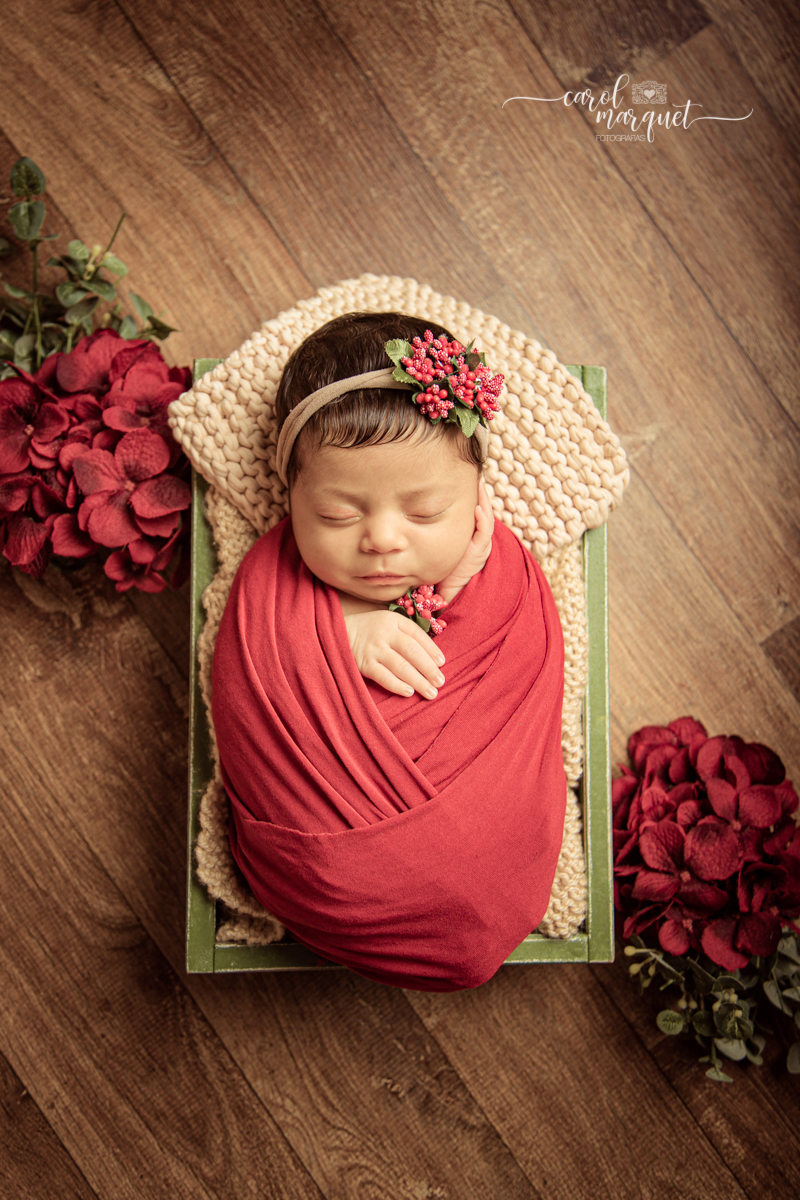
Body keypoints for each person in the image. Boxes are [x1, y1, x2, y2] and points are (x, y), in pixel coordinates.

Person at [211, 311, 568, 991]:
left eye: (426, 512)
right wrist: (341, 635)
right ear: (290, 498)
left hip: (490, 854)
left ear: (477, 497)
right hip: (332, 880)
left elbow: (517, 685)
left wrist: (461, 582)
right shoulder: (270, 584)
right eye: (337, 515)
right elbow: (250, 684)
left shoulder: (508, 583)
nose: (380, 538)